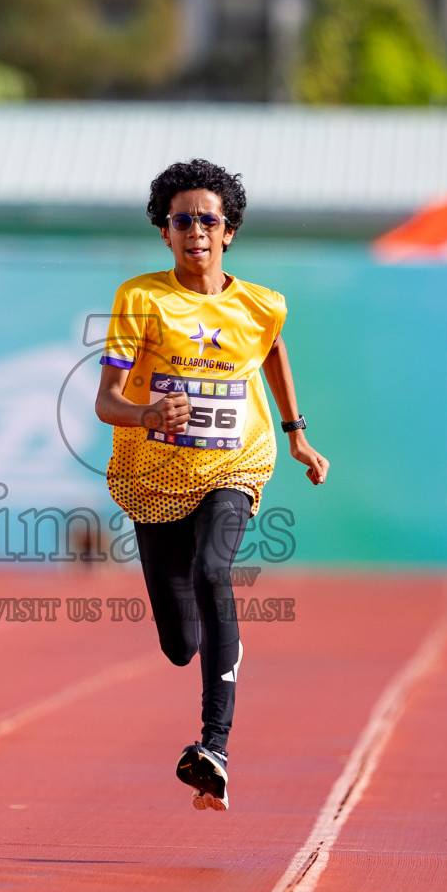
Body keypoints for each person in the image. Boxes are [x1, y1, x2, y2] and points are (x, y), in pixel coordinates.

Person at [94, 159, 329, 812]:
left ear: (229, 232)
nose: (195, 229)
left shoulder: (261, 304)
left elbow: (273, 348)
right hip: (152, 478)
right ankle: (215, 636)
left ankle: (214, 748)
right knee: (179, 644)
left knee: (214, 572)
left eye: (207, 219)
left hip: (235, 465)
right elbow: (106, 401)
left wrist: (295, 433)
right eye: (181, 220)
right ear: (164, 233)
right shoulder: (140, 299)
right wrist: (146, 414)